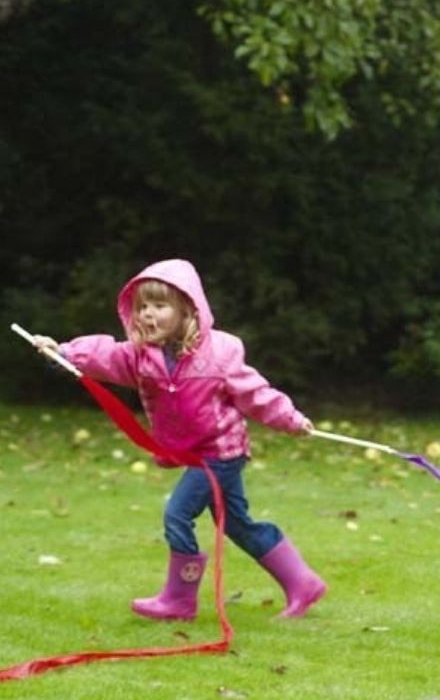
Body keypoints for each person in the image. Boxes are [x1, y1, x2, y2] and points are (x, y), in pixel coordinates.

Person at [33, 258, 327, 621]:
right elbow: (105, 355)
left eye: (159, 305)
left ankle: (179, 599)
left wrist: (291, 420)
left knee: (178, 514)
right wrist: (62, 352)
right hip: (193, 455)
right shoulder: (142, 357)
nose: (147, 315)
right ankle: (303, 583)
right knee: (237, 523)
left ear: (187, 308)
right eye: (142, 307)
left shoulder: (220, 353)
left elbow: (256, 393)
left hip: (221, 452)